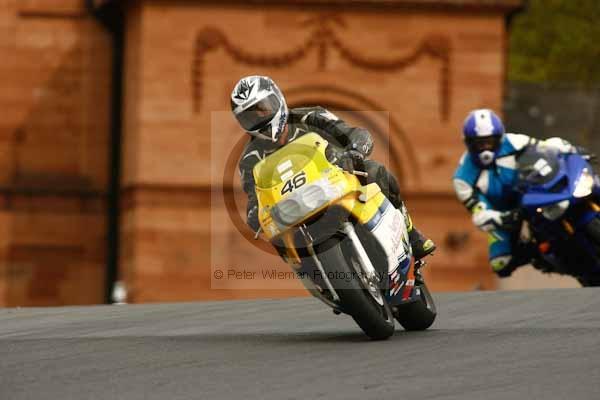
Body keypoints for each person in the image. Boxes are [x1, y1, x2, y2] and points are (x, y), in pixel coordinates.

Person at [231, 75, 435, 260]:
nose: (260, 118)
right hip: (296, 210)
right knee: (279, 238)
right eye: (250, 117)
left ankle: (410, 232)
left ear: (277, 99)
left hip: (337, 181)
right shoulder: (250, 159)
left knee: (376, 171)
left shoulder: (311, 116)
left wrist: (355, 151)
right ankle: (312, 274)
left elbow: (353, 134)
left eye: (263, 108)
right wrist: (255, 214)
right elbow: (255, 196)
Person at [453, 108, 584, 277]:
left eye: (490, 142)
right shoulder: (462, 178)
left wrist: (564, 147)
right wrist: (500, 218)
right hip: (504, 214)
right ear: (469, 143)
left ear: (499, 138)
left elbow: (545, 148)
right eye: (480, 144)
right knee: (500, 264)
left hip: (532, 194)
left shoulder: (514, 142)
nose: (485, 149)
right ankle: (540, 257)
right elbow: (479, 212)